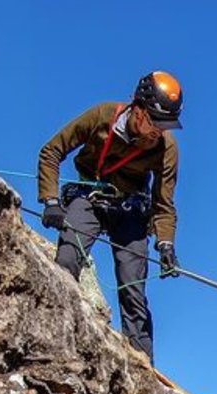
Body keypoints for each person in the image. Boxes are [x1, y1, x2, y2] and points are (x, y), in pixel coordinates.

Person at [36, 71, 184, 361]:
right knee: (67, 259)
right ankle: (52, 334)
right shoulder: (102, 116)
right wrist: (50, 201)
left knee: (133, 289)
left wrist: (166, 244)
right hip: (89, 198)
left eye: (165, 125)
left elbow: (164, 203)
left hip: (131, 210)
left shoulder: (167, 148)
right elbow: (51, 151)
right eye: (155, 121)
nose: (159, 131)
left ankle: (142, 364)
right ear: (138, 109)